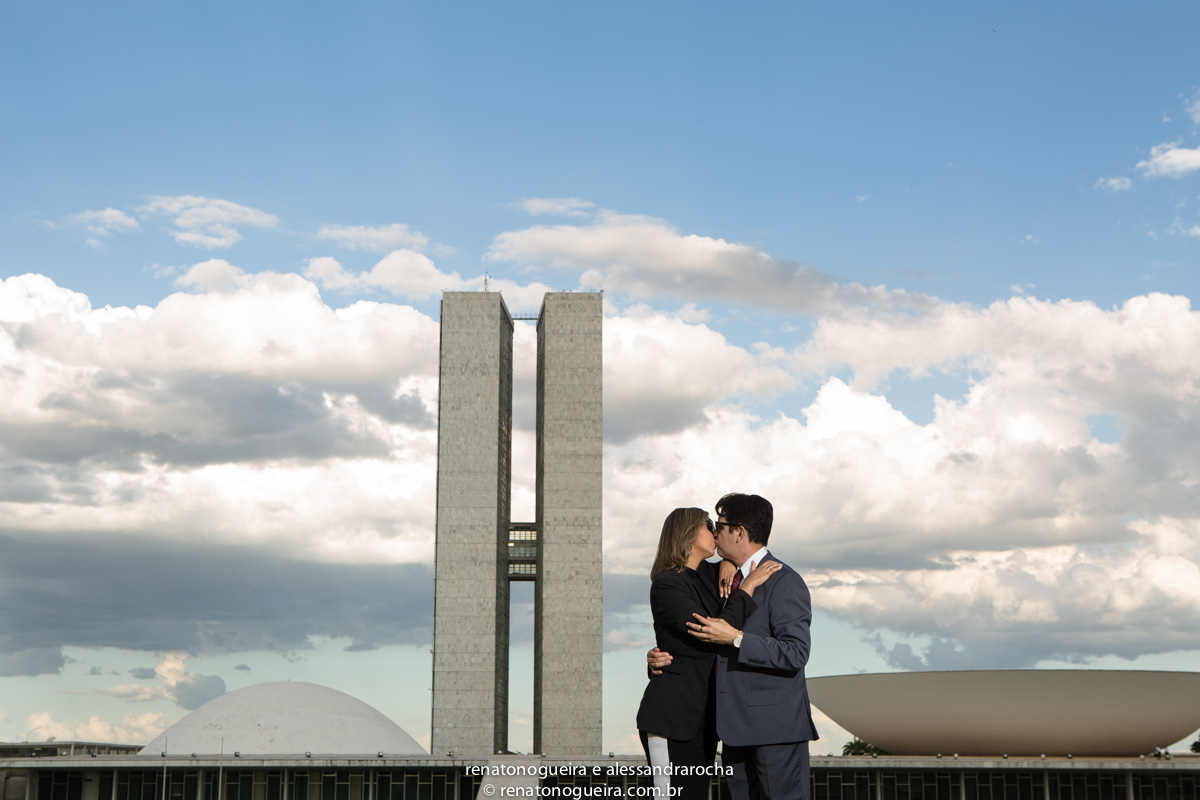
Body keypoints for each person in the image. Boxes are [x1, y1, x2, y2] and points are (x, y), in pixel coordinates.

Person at [652, 493, 818, 800]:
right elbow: (683, 624)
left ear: (739, 532)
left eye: (720, 525)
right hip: (733, 731)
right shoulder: (717, 577)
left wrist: (736, 638)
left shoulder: (783, 581)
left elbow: (795, 653)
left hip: (774, 731)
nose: (715, 532)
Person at [636, 507, 782, 800]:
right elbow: (710, 632)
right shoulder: (668, 583)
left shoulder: (709, 575)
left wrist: (727, 561)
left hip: (705, 720)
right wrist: (749, 586)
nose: (716, 531)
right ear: (688, 532)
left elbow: (732, 564)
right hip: (672, 717)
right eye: (709, 525)